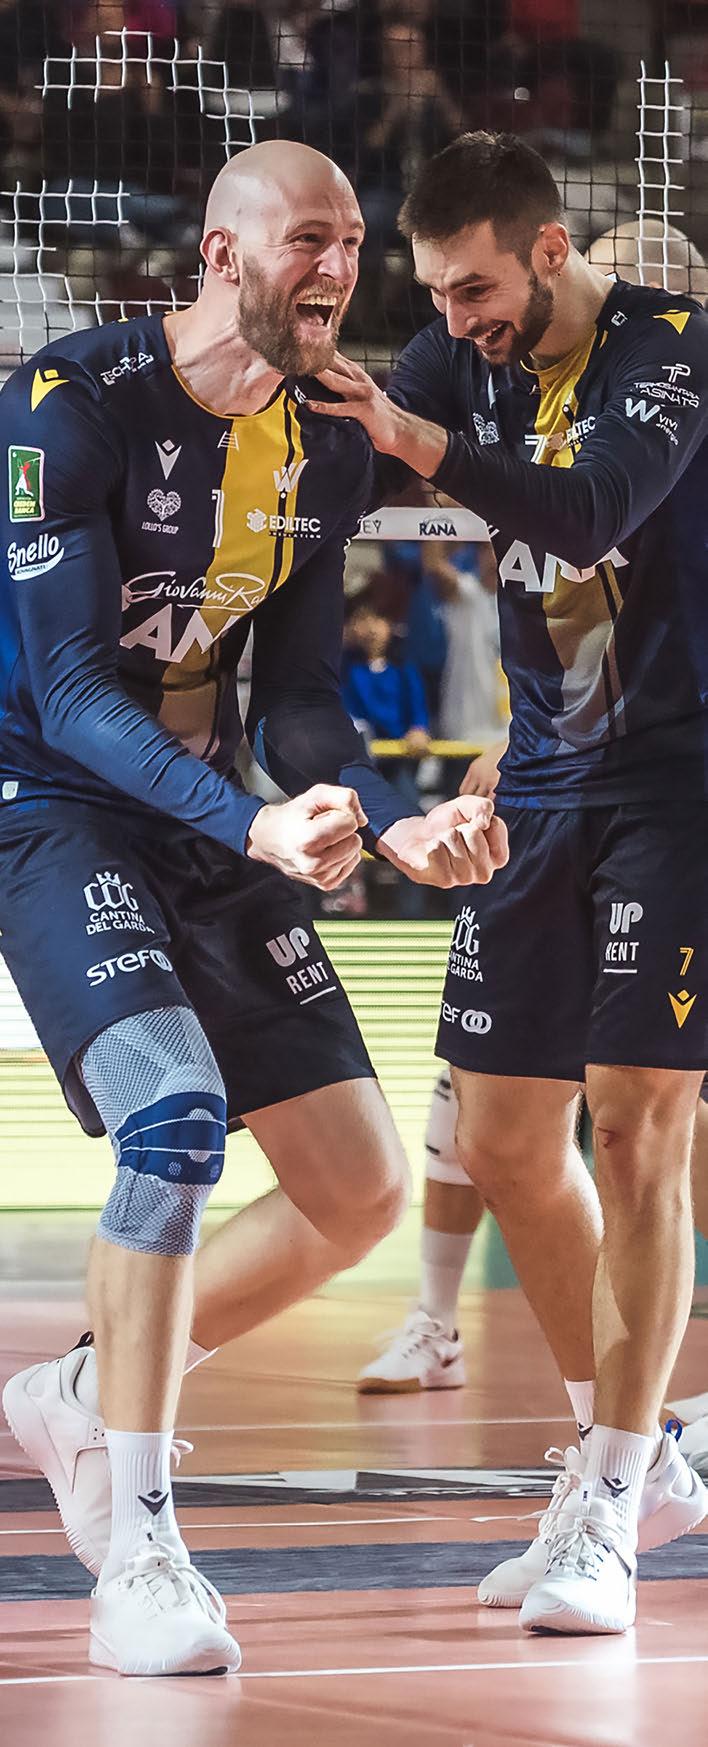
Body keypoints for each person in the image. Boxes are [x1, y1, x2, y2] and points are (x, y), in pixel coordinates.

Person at [0, 138, 508, 1678]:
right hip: (52, 801)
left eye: (352, 240)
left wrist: (374, 813)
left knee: (358, 1192)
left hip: (211, 808)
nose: (340, 267)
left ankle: (82, 1395)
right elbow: (70, 688)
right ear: (221, 255)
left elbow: (294, 693)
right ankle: (141, 1545)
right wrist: (253, 821)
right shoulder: (66, 404)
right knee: (172, 1121)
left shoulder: (324, 444)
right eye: (309, 238)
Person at [305, 129, 708, 1636]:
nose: (454, 319)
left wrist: (419, 445)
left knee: (638, 1121)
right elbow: (338, 463)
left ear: (549, 251)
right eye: (434, 295)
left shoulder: (671, 349)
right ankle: (639, 1456)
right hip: (538, 778)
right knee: (498, 1135)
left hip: (678, 785)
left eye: (474, 289)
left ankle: (606, 1499)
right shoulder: (459, 354)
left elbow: (588, 512)